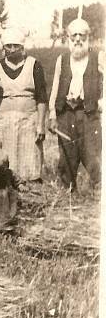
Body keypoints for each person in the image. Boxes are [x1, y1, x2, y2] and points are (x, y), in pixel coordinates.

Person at [47, 18, 103, 192]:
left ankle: (98, 191)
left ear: (88, 36)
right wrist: (52, 114)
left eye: (82, 35)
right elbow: (55, 86)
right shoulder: (62, 59)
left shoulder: (98, 56)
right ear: (68, 38)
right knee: (67, 155)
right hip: (65, 112)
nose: (78, 39)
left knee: (92, 153)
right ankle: (68, 192)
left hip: (88, 113)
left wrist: (102, 103)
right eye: (74, 35)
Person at [0, 28, 48, 184]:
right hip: (3, 123)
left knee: (30, 163)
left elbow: (42, 98)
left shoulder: (34, 65)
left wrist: (40, 125)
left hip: (28, 122)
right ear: (3, 47)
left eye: (16, 46)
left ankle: (31, 196)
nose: (12, 50)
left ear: (22, 47)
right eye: (8, 46)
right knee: (4, 163)